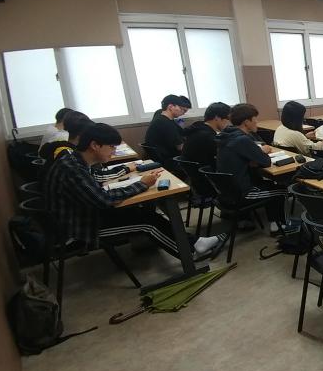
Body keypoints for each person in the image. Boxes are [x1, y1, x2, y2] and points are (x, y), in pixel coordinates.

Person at [43, 123, 225, 260]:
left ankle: (195, 243)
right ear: (95, 145)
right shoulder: (72, 168)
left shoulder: (77, 160)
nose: (114, 152)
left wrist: (132, 176)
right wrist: (142, 184)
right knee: (147, 223)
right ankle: (189, 255)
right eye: (111, 147)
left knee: (145, 213)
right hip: (82, 228)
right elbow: (104, 199)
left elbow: (97, 178)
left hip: (88, 215)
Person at [216, 103, 290, 235]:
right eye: (255, 118)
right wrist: (260, 153)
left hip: (227, 192)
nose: (257, 121)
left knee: (270, 184)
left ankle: (271, 222)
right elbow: (266, 162)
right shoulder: (242, 140)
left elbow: (249, 160)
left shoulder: (226, 135)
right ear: (246, 122)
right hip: (242, 193)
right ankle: (279, 227)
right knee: (282, 190)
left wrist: (252, 159)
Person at [144, 94, 189, 168]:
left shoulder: (160, 115)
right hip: (168, 160)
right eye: (181, 109)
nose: (183, 113)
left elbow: (181, 131)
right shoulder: (165, 123)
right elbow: (180, 147)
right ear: (170, 107)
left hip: (160, 156)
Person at [182, 102, 231, 168]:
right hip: (204, 170)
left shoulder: (198, 128)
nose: (229, 123)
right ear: (217, 118)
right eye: (228, 119)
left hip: (192, 170)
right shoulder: (207, 136)